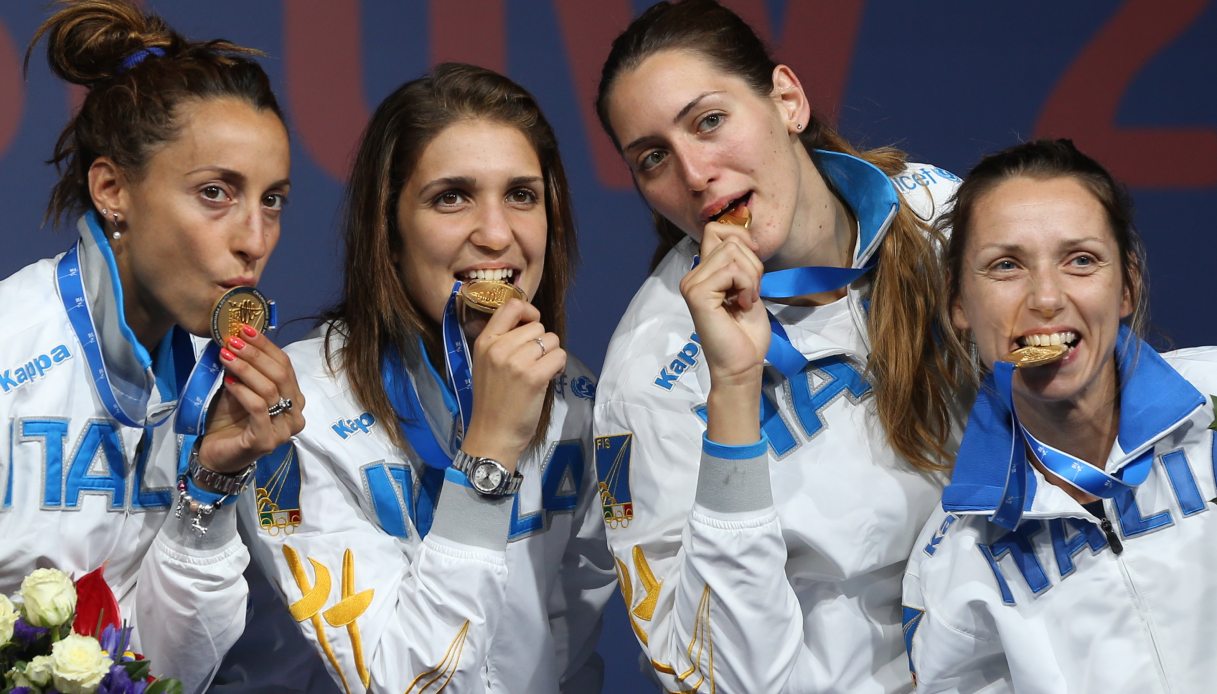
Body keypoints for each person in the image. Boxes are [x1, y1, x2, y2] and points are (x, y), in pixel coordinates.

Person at [591, 0, 966, 691]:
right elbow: (706, 674)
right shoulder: (649, 376)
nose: (695, 172)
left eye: (708, 121)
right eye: (652, 158)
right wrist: (733, 389)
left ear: (787, 100)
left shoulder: (943, 216)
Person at [241, 62, 616, 693]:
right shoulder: (296, 411)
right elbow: (405, 682)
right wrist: (490, 457)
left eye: (522, 195)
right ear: (388, 232)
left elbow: (568, 635)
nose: (497, 234)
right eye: (452, 197)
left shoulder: (572, 391)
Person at [0, 1, 303, 691]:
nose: (253, 240)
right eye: (215, 193)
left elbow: (173, 672)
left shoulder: (221, 392)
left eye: (273, 200)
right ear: (112, 190)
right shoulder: (10, 350)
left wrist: (215, 482)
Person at [902, 138, 1217, 691]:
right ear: (959, 305)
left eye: (1081, 260)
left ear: (1128, 285)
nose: (1046, 297)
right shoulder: (955, 559)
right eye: (1006, 265)